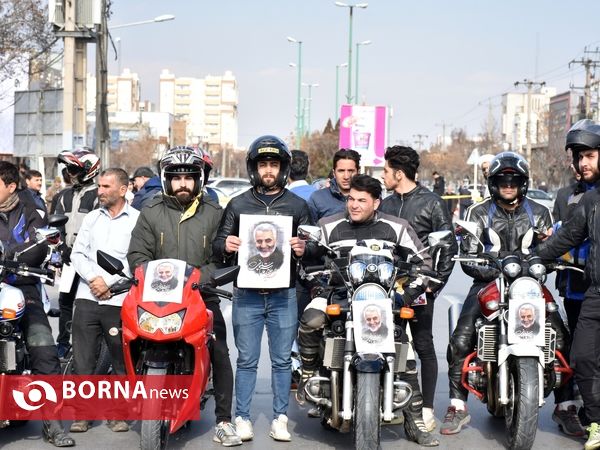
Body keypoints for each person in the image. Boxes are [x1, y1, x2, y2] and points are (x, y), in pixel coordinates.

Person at [440, 151, 583, 437]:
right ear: (493, 183)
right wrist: (491, 269)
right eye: (502, 180)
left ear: (523, 182)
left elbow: (553, 247)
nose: (508, 184)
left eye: (514, 179)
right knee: (461, 337)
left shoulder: (539, 212)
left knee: (562, 337)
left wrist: (548, 261)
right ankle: (457, 405)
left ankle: (565, 406)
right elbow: (468, 253)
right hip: (488, 282)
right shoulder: (477, 212)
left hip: (530, 284)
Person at [297, 174, 438, 446]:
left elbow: (425, 263)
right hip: (336, 294)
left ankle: (415, 421)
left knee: (404, 352)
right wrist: (308, 263)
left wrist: (406, 296)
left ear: (377, 202)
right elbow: (308, 261)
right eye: (351, 198)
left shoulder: (397, 227)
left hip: (383, 301)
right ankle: (308, 371)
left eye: (362, 200)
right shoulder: (329, 226)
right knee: (312, 319)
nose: (354, 205)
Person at [127, 146, 241, 447]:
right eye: (176, 178)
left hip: (201, 295)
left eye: (189, 178)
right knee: (127, 336)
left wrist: (198, 280)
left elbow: (223, 259)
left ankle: (224, 420)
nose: (182, 184)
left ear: (199, 180)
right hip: (155, 296)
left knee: (220, 351)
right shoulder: (150, 212)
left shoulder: (216, 214)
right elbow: (137, 253)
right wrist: (147, 273)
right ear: (166, 180)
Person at [213, 135, 312, 442]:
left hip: (284, 295)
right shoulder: (238, 204)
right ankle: (242, 417)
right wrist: (226, 245)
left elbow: (316, 247)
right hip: (247, 295)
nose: (268, 170)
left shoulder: (298, 206)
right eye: (263, 164)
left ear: (284, 168)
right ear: (254, 168)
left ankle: (280, 417)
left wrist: (303, 249)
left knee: (283, 360)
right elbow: (217, 246)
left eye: (274, 164)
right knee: (247, 360)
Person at [379, 145, 457, 431]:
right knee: (386, 344)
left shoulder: (432, 202)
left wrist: (433, 286)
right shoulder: (384, 205)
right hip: (386, 288)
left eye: (386, 171)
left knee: (424, 345)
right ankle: (390, 402)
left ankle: (426, 409)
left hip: (420, 288)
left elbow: (448, 248)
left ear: (399, 174)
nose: (383, 176)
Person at [533, 119, 600, 450]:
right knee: (582, 355)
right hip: (584, 289)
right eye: (579, 157)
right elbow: (564, 237)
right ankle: (590, 416)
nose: (583, 163)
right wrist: (535, 255)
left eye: (589, 155)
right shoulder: (578, 199)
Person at [0, 161, 74, 447]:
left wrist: (10, 255)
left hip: (22, 286)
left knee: (44, 349)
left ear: (9, 186)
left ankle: (52, 424)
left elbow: (40, 243)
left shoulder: (31, 210)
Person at [69, 168, 139, 434]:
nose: (100, 191)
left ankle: (118, 414)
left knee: (121, 361)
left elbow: (135, 259)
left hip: (118, 300)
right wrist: (93, 280)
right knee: (83, 360)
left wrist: (108, 284)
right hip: (87, 297)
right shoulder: (91, 219)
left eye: (106, 186)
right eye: (99, 186)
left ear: (123, 190)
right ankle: (82, 414)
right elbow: (78, 254)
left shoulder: (137, 220)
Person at [52, 148, 101, 359]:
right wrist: (61, 248)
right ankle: (63, 342)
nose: (69, 173)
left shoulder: (99, 194)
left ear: (89, 170)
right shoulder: (62, 196)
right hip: (68, 259)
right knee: (65, 301)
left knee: (89, 304)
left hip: (91, 261)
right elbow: (54, 226)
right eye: (68, 168)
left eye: (73, 168)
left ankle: (91, 346)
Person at [307, 149, 360, 222]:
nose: (346, 176)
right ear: (334, 173)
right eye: (341, 171)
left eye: (351, 171)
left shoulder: (369, 197)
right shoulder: (317, 198)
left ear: (358, 172)